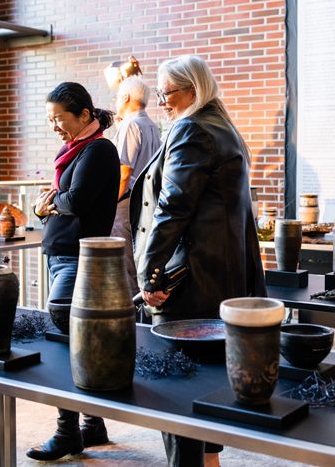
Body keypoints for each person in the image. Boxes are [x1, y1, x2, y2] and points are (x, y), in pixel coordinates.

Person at [130, 55, 266, 467]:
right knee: (204, 387)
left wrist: (149, 275)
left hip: (188, 283)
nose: (161, 103)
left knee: (176, 394)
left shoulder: (192, 129)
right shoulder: (223, 126)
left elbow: (172, 209)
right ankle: (209, 461)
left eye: (166, 94)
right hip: (220, 280)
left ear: (193, 89)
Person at [26, 82, 120, 461]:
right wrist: (44, 208)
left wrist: (49, 205)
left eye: (59, 118)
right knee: (77, 344)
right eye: (50, 120)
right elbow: (58, 201)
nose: (54, 127)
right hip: (62, 255)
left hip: (78, 258)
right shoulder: (76, 150)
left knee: (67, 346)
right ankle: (93, 425)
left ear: (84, 114)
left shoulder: (98, 150)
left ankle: (68, 433)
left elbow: (76, 200)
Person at [110, 76, 161, 295]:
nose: (115, 101)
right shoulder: (152, 126)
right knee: (138, 260)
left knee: (125, 264)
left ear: (125, 97)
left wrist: (110, 203)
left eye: (117, 96)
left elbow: (124, 173)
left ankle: (129, 312)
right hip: (145, 200)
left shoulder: (130, 125)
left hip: (126, 201)